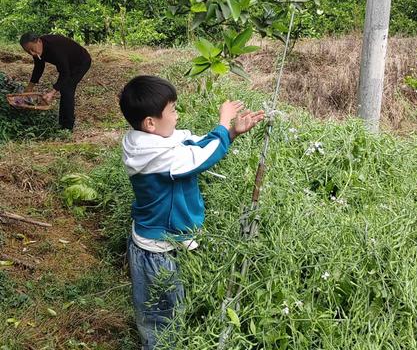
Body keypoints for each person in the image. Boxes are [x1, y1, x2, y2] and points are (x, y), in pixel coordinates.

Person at [118, 75, 264, 350]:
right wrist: (223, 123)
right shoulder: (157, 157)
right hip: (156, 251)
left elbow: (192, 144)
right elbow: (201, 157)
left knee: (171, 304)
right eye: (172, 110)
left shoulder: (147, 141)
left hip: (165, 241)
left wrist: (231, 132)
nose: (177, 115)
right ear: (150, 123)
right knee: (159, 319)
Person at [19, 32, 92, 131]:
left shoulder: (55, 48)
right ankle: (62, 124)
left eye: (32, 49)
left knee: (67, 89)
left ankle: (67, 127)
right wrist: (30, 87)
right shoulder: (37, 49)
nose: (32, 53)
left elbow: (65, 74)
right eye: (28, 52)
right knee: (64, 89)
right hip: (67, 63)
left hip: (81, 62)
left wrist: (52, 92)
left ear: (39, 41)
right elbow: (39, 68)